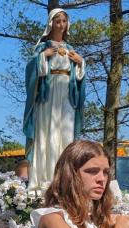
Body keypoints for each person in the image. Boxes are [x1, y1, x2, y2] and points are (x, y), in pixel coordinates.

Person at [23, 8, 86, 189]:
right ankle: (46, 177)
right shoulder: (43, 47)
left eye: (63, 21)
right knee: (47, 132)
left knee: (65, 135)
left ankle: (65, 178)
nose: (61, 25)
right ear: (51, 24)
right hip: (48, 95)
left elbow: (78, 76)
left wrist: (81, 62)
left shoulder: (71, 50)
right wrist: (43, 57)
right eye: (57, 21)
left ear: (67, 25)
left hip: (67, 94)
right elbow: (30, 70)